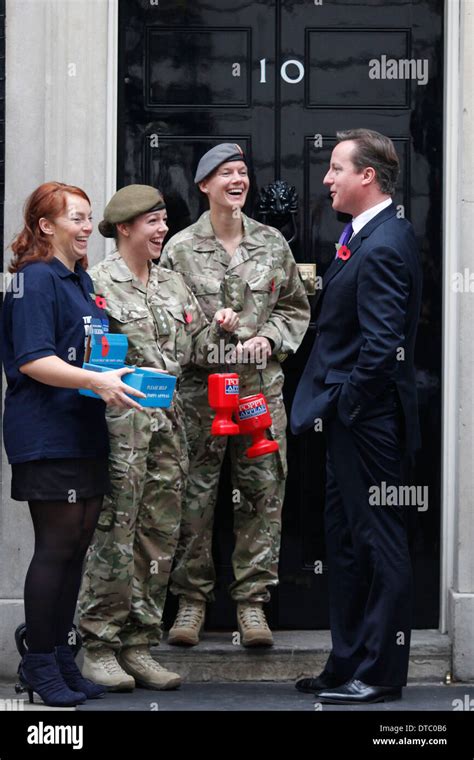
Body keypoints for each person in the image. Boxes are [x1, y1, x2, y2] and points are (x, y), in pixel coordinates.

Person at [78, 185, 239, 691]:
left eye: (164, 220)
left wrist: (226, 327)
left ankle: (138, 644)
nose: (163, 229)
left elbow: (199, 351)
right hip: (119, 435)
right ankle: (98, 645)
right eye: (153, 222)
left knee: (157, 538)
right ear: (125, 228)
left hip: (170, 433)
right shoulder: (95, 284)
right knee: (114, 536)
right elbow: (83, 360)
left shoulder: (173, 286)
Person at [1, 182, 145, 707]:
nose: (88, 228)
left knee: (77, 549)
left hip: (84, 429)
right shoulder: (35, 280)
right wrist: (96, 382)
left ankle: (62, 658)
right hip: (46, 433)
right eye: (77, 219)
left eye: (88, 219)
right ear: (46, 226)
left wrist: (116, 380)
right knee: (56, 548)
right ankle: (39, 664)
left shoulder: (80, 281)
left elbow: (88, 356)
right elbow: (32, 360)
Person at [160, 144, 310, 647]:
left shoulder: (272, 244)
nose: (238, 179)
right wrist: (210, 335)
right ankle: (190, 602)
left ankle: (252, 606)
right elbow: (167, 323)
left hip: (257, 392)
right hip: (200, 394)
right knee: (193, 497)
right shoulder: (179, 249)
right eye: (226, 172)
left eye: (243, 171)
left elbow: (294, 307)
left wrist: (270, 337)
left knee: (262, 494)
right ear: (205, 185)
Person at [291, 129, 422, 704]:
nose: (326, 178)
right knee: (344, 543)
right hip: (348, 421)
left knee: (379, 542)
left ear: (367, 176)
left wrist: (345, 407)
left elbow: (382, 346)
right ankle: (346, 663)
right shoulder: (360, 237)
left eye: (336, 168)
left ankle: (383, 672)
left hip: (368, 422)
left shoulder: (387, 242)